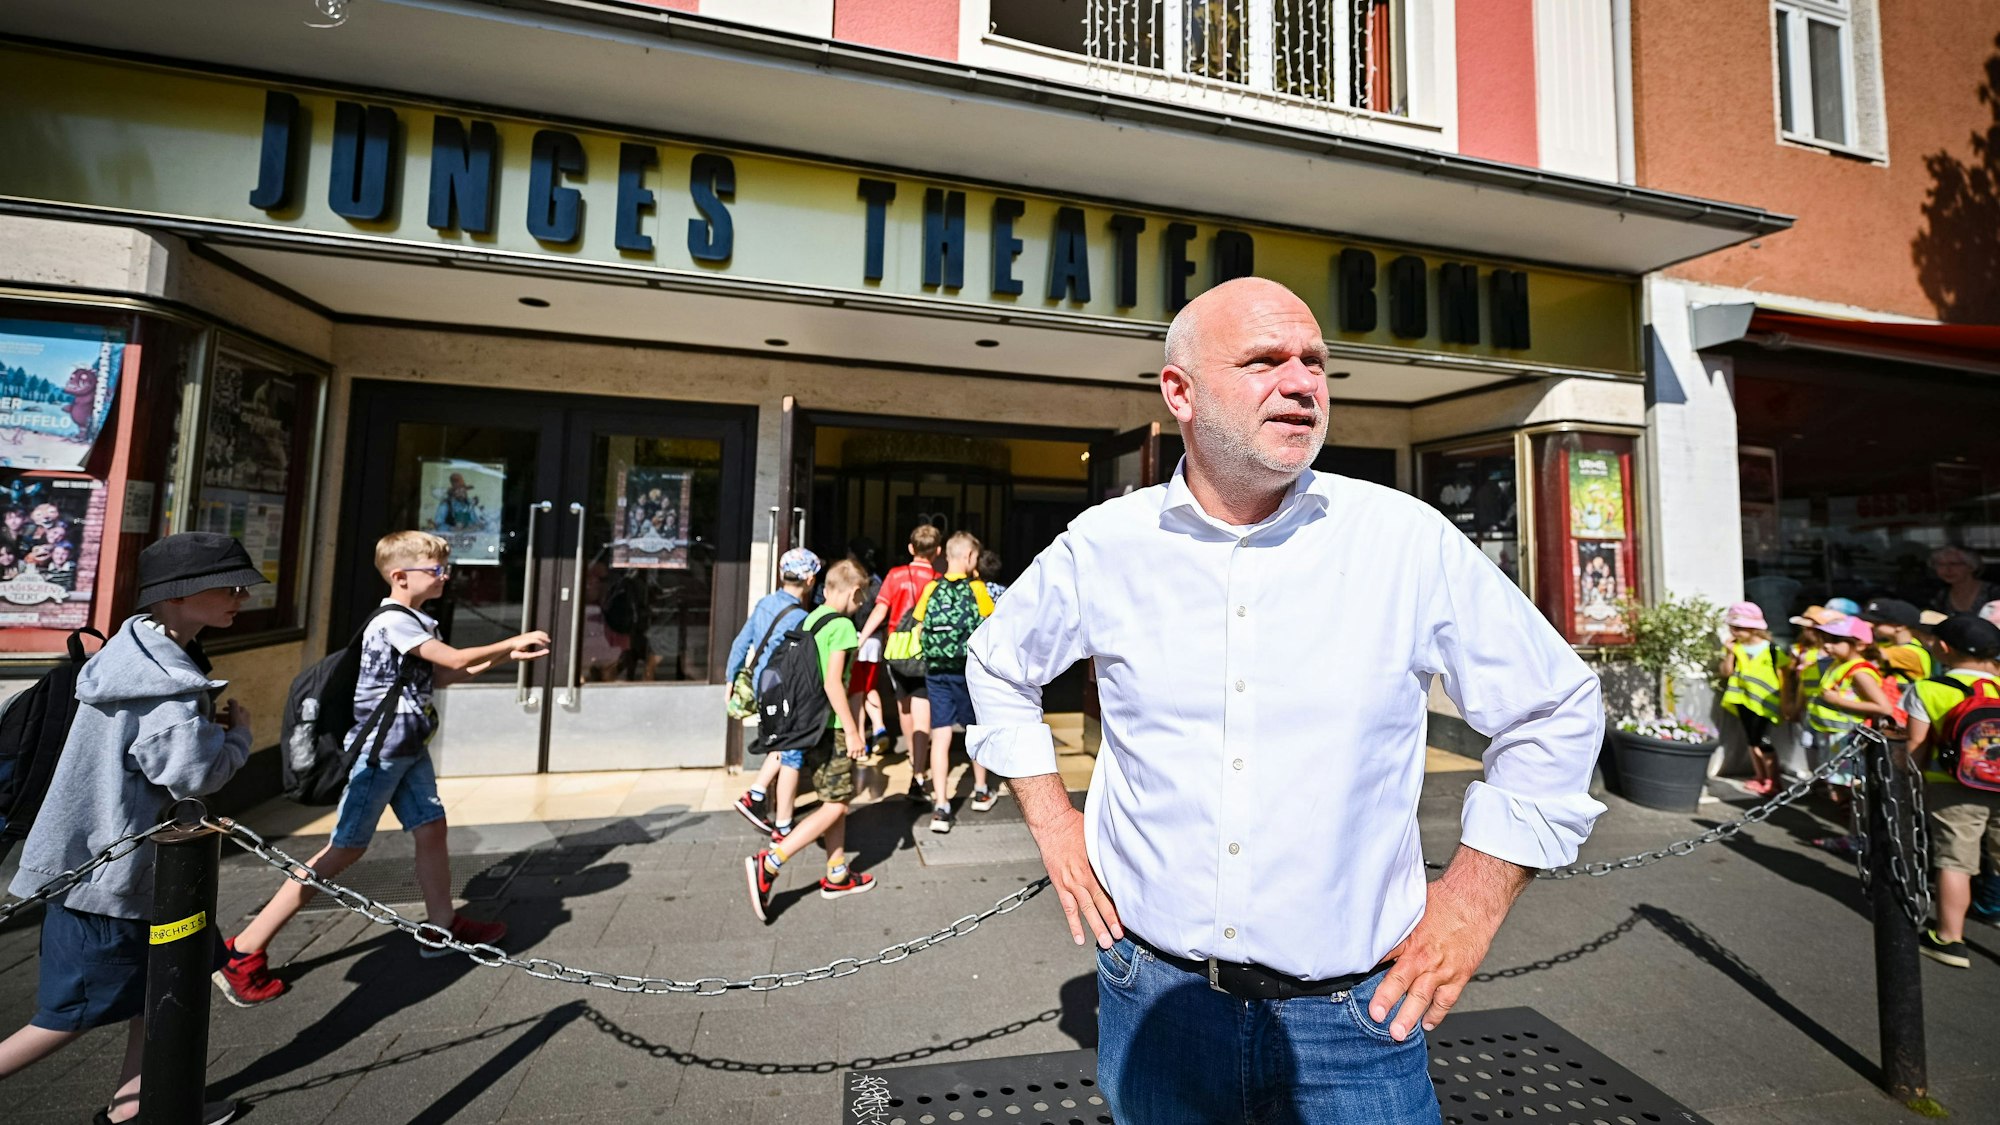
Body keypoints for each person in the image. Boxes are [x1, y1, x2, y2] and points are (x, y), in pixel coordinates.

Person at [966, 278, 1605, 1123]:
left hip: (1359, 1020)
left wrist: (1474, 898)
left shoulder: (1402, 540)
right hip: (1155, 1000)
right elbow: (998, 663)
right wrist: (1052, 821)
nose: (1302, 382)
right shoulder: (1105, 546)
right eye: (1265, 360)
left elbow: (1556, 706)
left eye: (1315, 362)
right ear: (1180, 391)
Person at [217, 532, 549, 1004]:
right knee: (343, 851)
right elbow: (454, 659)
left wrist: (502, 655)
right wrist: (513, 638)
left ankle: (442, 926)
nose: (444, 576)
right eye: (435, 569)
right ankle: (245, 950)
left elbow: (443, 673)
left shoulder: (417, 621)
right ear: (400, 576)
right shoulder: (393, 623)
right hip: (379, 755)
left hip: (409, 750)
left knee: (431, 829)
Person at [0, 532, 264, 1124]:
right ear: (178, 594)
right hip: (110, 880)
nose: (242, 597)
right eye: (229, 586)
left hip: (127, 871)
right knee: (65, 1017)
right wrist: (238, 735)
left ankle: (135, 1110)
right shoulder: (165, 684)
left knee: (165, 991)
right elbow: (193, 775)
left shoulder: (137, 648)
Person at [744, 560, 876, 919]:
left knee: (836, 797)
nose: (861, 604)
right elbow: (835, 682)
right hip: (831, 725)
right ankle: (771, 862)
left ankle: (836, 872)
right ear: (855, 593)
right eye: (861, 598)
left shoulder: (812, 617)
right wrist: (852, 729)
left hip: (807, 723)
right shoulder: (844, 627)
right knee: (836, 805)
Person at [1897, 614, 2000, 968]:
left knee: (1956, 861)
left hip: (1955, 785)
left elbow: (1917, 745)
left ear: (1942, 647)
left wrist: (1909, 778)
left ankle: (1949, 939)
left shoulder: (1928, 689)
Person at [726, 548, 820, 839]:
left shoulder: (765, 603)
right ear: (811, 580)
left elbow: (741, 643)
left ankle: (755, 795)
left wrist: (731, 677)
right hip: (783, 690)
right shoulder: (802, 618)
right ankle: (783, 825)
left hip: (762, 684)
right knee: (792, 753)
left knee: (781, 742)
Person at [914, 531, 998, 833]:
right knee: (975, 729)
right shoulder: (977, 588)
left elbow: (919, 623)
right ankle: (980, 790)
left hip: (936, 671)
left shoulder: (930, 588)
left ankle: (941, 805)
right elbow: (992, 622)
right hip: (967, 672)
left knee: (941, 734)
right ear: (969, 557)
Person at [858, 524, 942, 803]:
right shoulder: (939, 581)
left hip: (896, 652)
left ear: (910, 548)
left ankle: (911, 755)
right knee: (923, 711)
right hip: (925, 653)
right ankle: (919, 770)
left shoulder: (895, 576)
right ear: (938, 551)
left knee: (903, 706)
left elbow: (880, 610)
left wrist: (861, 640)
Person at [1719, 602, 1787, 795]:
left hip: (1767, 702)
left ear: (1753, 627)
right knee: (1752, 740)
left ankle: (1773, 781)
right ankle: (1760, 776)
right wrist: (1730, 653)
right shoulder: (1737, 648)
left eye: (1739, 628)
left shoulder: (1772, 649)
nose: (1734, 632)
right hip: (1743, 700)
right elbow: (1726, 672)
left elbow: (1784, 677)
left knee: (1763, 741)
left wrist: (1787, 703)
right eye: (1732, 628)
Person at [845, 537, 891, 756]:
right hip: (875, 641)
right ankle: (880, 727)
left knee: (856, 692)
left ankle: (861, 741)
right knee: (870, 688)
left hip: (855, 640)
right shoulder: (878, 582)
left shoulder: (856, 584)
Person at [1862, 598, 1933, 684]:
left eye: (1877, 623)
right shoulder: (1887, 645)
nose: (1872, 626)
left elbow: (1868, 653)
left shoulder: (1911, 652)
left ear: (1899, 626)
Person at [1930, 546, 2000, 615]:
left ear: (1971, 566)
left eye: (1954, 564)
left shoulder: (1993, 592)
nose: (1947, 569)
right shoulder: (1942, 596)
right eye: (1941, 565)